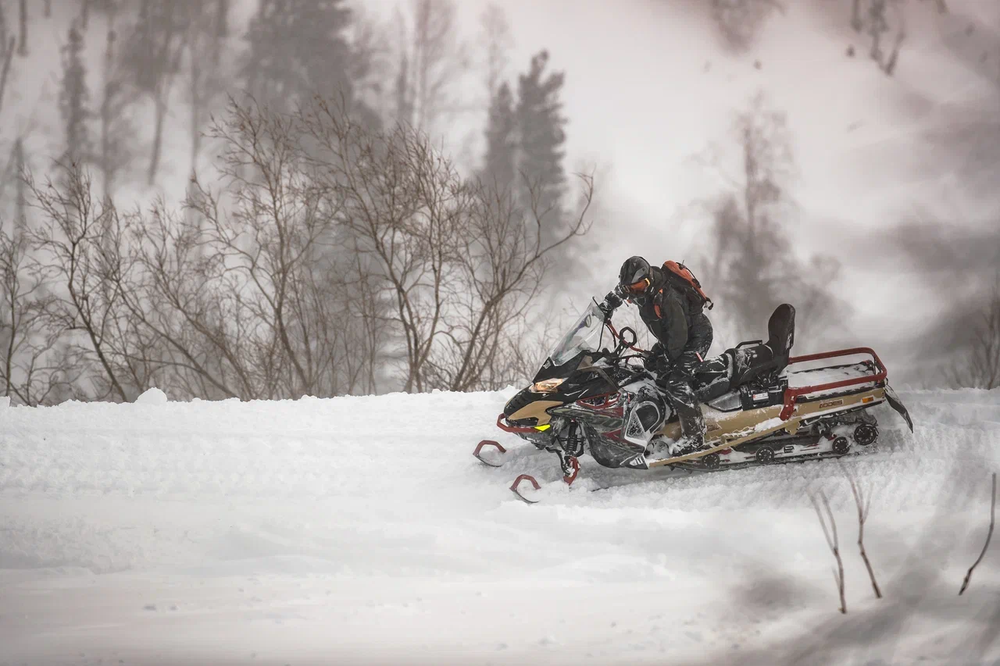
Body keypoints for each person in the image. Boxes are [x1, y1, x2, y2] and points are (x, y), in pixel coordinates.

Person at [598, 256, 714, 456]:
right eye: (630, 288)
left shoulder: (667, 298)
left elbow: (679, 339)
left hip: (695, 338)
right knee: (649, 372)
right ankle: (663, 422)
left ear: (648, 281)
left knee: (676, 382)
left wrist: (668, 361)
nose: (633, 292)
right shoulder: (636, 289)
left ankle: (695, 435)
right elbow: (621, 291)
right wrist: (606, 307)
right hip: (671, 337)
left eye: (638, 286)